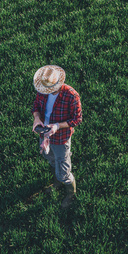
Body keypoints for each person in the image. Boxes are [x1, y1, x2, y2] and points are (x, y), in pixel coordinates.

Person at [31, 65, 82, 209]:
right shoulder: (43, 90)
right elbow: (36, 106)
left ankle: (71, 193)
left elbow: (77, 119)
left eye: (49, 89)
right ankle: (57, 182)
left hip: (60, 138)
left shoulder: (71, 95)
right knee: (50, 158)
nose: (46, 92)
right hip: (44, 133)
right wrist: (36, 118)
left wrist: (57, 126)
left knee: (63, 168)